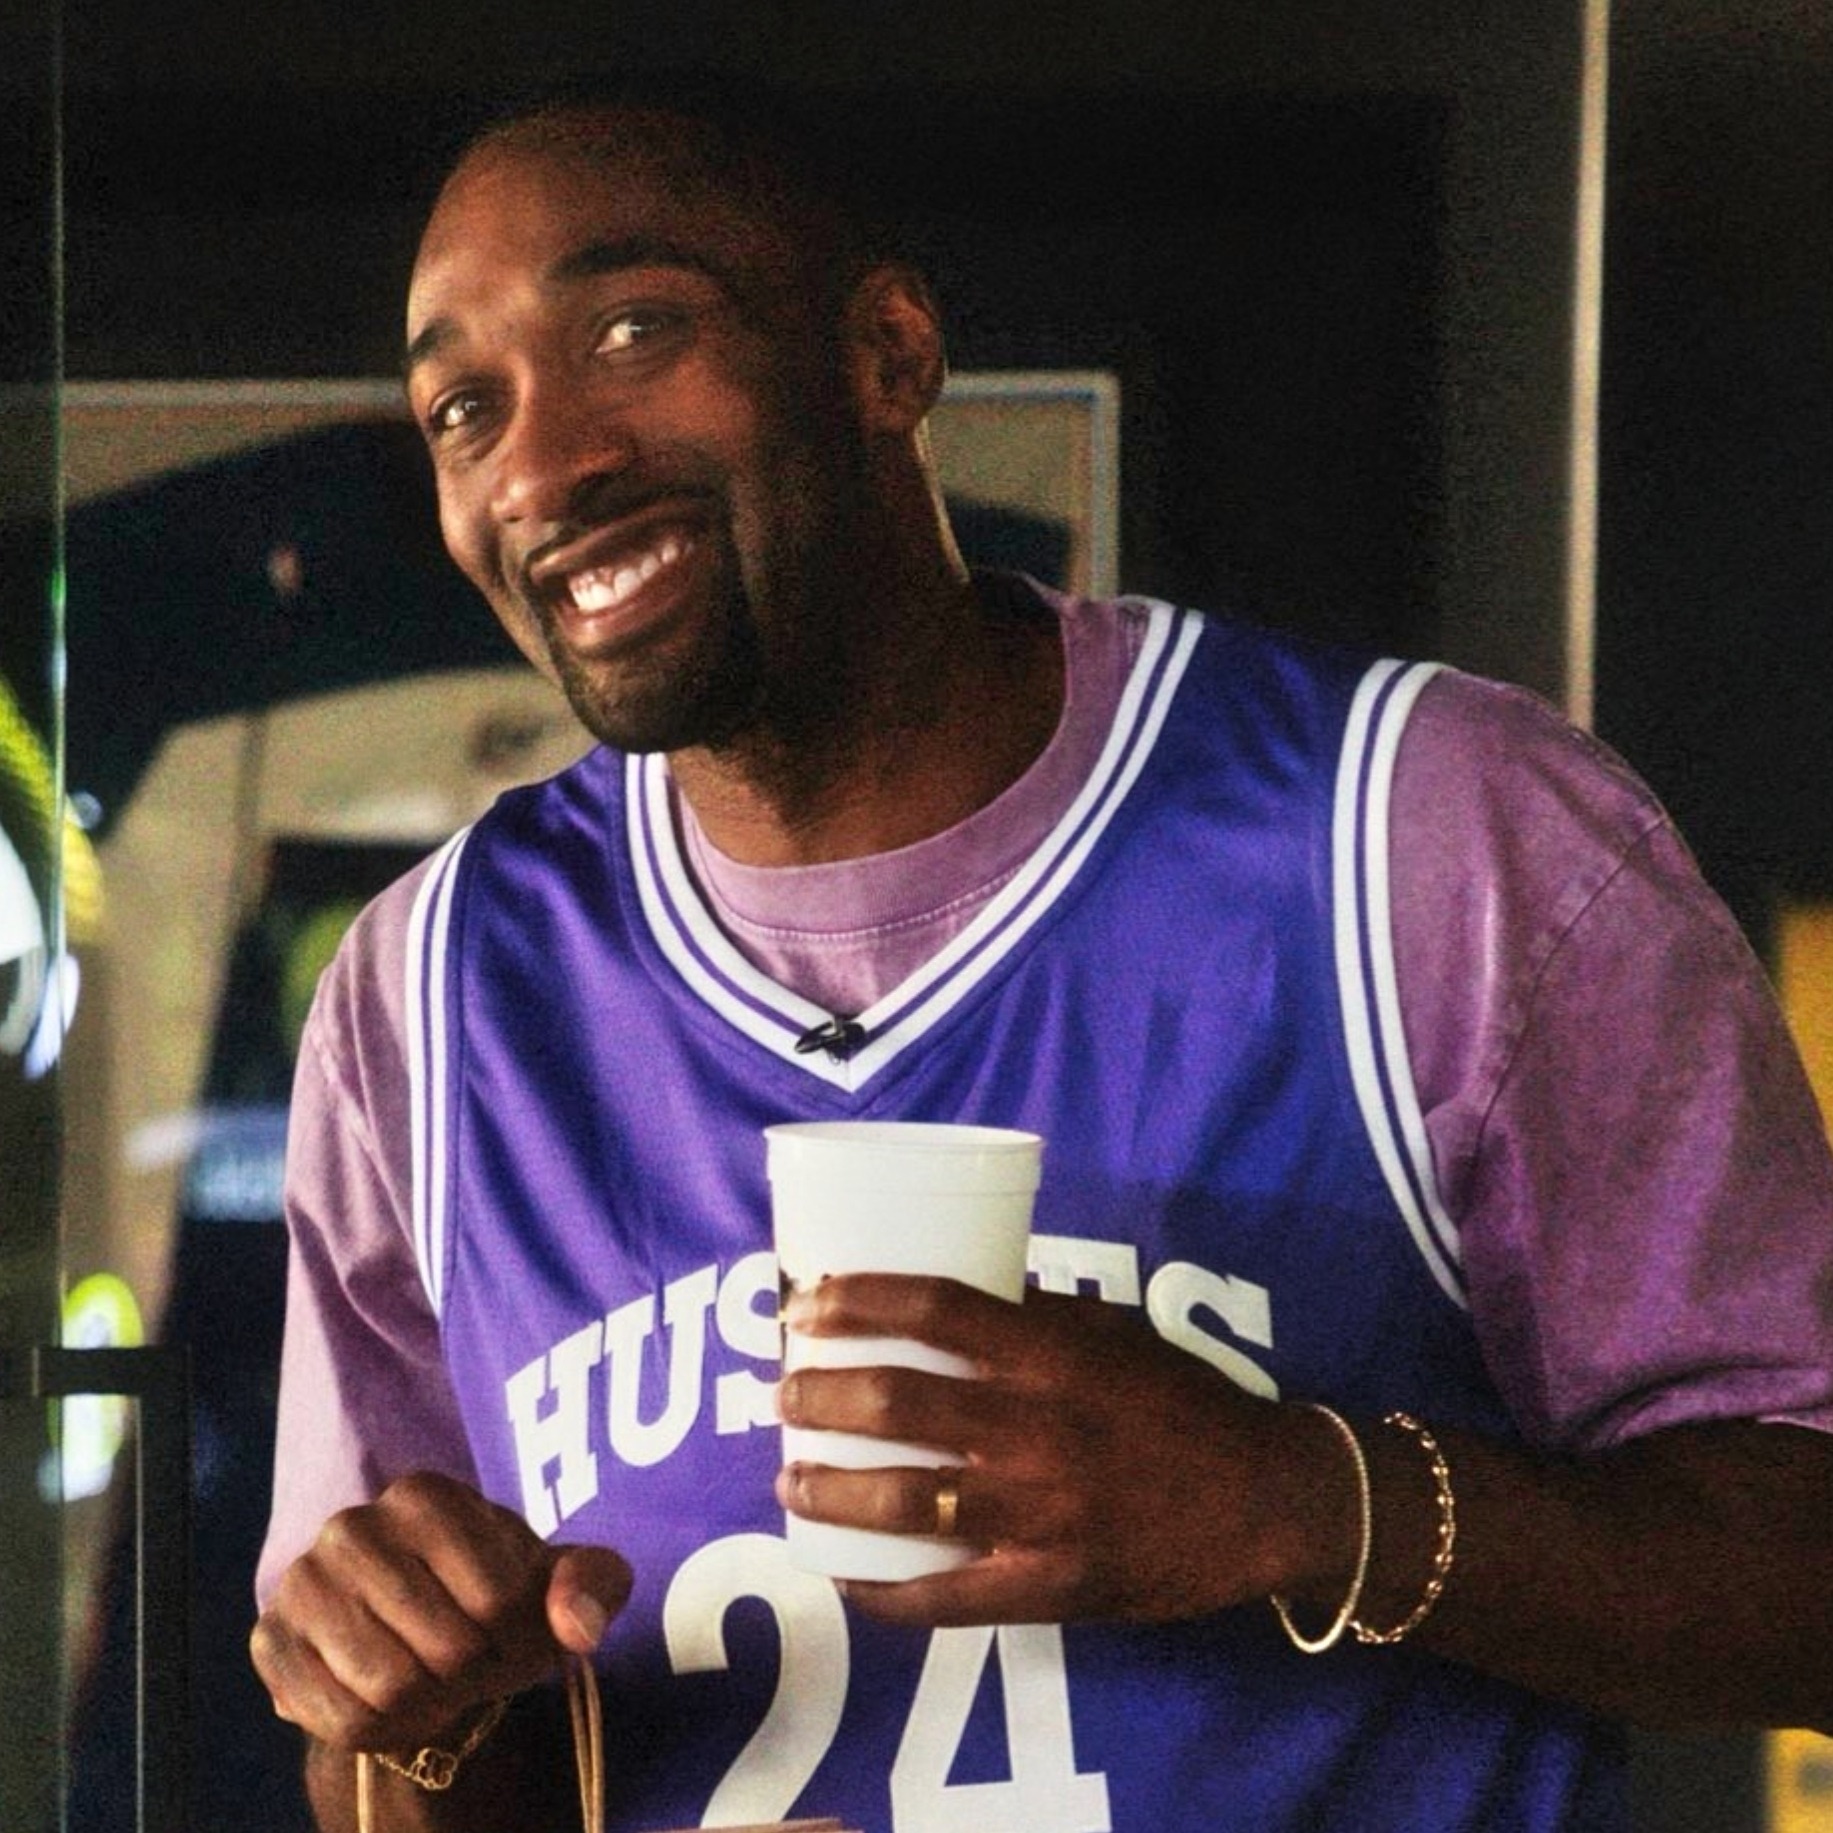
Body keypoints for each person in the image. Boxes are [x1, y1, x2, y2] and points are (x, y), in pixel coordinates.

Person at [249, 87, 1833, 1833]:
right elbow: (391, 1776)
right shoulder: (425, 998)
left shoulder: (1427, 831)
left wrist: (1299, 1498)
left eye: (634, 331)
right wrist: (410, 1709)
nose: (544, 465)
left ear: (889, 353)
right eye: (462, 410)